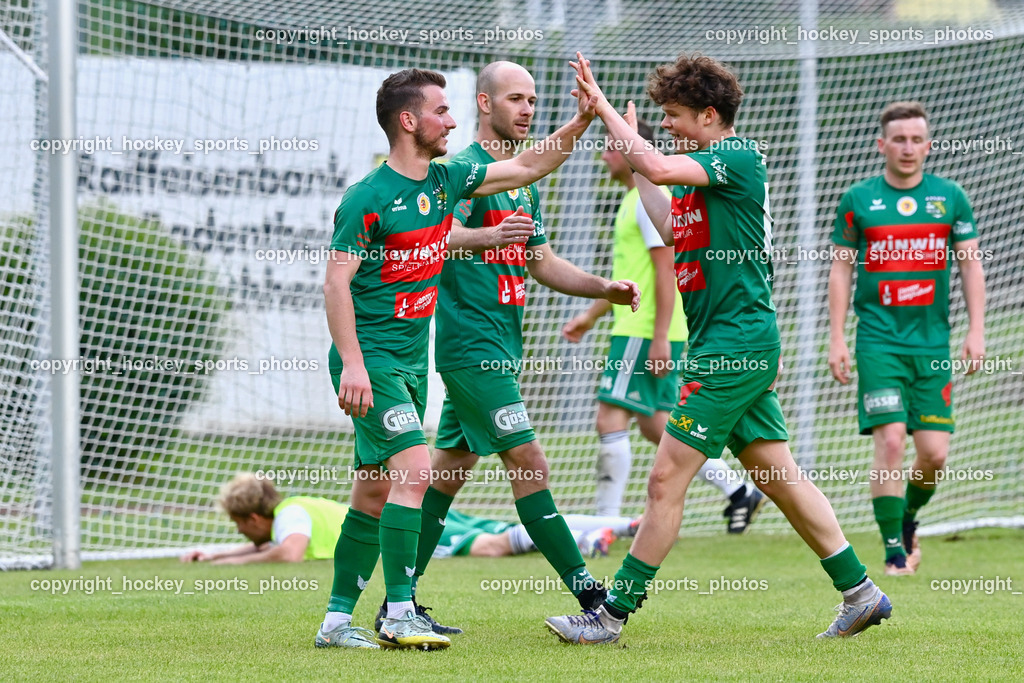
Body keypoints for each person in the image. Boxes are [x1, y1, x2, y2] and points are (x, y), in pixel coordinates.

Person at [544, 52, 892, 644]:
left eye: (676, 116)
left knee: (664, 481)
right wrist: (633, 160)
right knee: (776, 474)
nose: (670, 127)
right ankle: (861, 591)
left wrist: (605, 110)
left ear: (710, 115)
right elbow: (664, 211)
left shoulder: (735, 155)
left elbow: (656, 162)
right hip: (731, 344)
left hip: (733, 348)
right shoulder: (701, 173)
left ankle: (610, 615)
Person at [321, 66, 602, 650]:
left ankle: (336, 621)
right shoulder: (366, 197)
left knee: (375, 492)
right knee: (419, 473)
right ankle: (400, 612)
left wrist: (581, 121)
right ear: (408, 121)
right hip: (374, 361)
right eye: (441, 111)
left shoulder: (447, 180)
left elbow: (528, 165)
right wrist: (350, 363)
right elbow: (335, 284)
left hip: (413, 361)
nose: (451, 121)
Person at [404, 61, 641, 624]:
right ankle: (590, 595)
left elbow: (541, 262)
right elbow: (430, 237)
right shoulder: (461, 170)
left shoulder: (520, 181)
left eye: (533, 99)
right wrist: (487, 235)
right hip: (472, 346)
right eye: (516, 99)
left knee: (446, 476)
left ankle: (401, 598)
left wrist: (603, 288)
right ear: (485, 104)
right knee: (530, 460)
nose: (528, 109)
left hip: (500, 346)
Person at [562, 119, 766, 531]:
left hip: (645, 332)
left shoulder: (645, 199)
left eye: (610, 147)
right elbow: (630, 278)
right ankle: (738, 490)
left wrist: (658, 337)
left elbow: (665, 269)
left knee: (609, 418)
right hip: (647, 328)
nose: (603, 155)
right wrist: (589, 316)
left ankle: (606, 523)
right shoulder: (632, 200)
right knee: (657, 425)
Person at [828, 101, 986, 576]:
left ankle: (910, 517)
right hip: (878, 342)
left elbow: (970, 265)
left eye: (917, 139)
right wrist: (836, 337)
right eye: (899, 139)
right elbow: (840, 268)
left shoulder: (950, 197)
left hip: (933, 345)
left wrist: (977, 329)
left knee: (934, 454)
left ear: (929, 145)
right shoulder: (858, 200)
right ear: (882, 145)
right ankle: (894, 552)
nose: (908, 148)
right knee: (892, 441)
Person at [178, 474, 637, 564]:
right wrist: (217, 555)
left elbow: (288, 553)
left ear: (255, 515)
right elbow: (266, 546)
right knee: (498, 527)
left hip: (402, 528)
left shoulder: (291, 516)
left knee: (489, 547)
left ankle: (589, 538)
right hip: (420, 514)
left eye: (240, 526)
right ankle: (618, 524)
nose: (241, 533)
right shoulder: (292, 509)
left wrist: (230, 563)